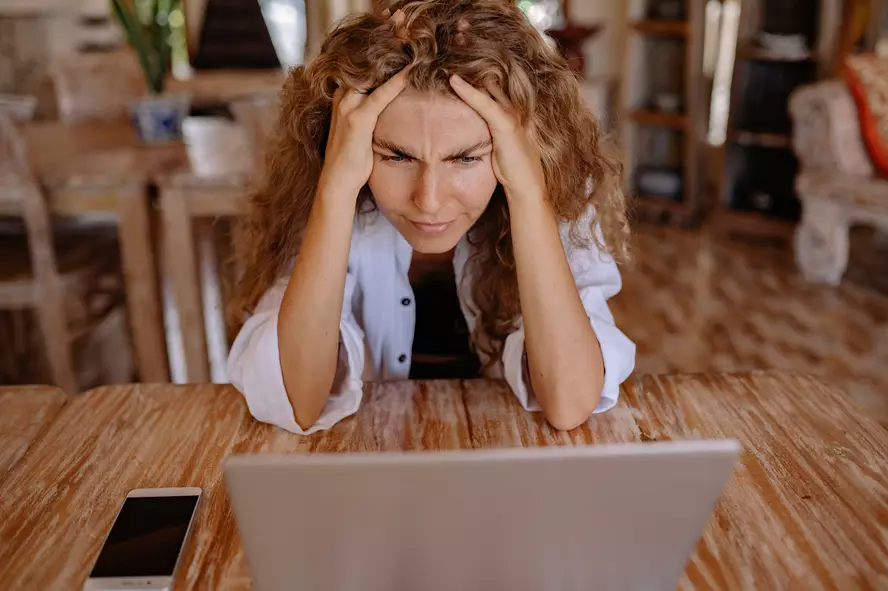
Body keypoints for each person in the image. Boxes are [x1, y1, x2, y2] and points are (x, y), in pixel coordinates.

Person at [227, 0, 635, 435]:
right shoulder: (324, 191)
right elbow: (297, 403)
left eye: (465, 158)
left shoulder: (554, 193)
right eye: (397, 155)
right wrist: (336, 188)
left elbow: (570, 403)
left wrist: (529, 195)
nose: (429, 200)